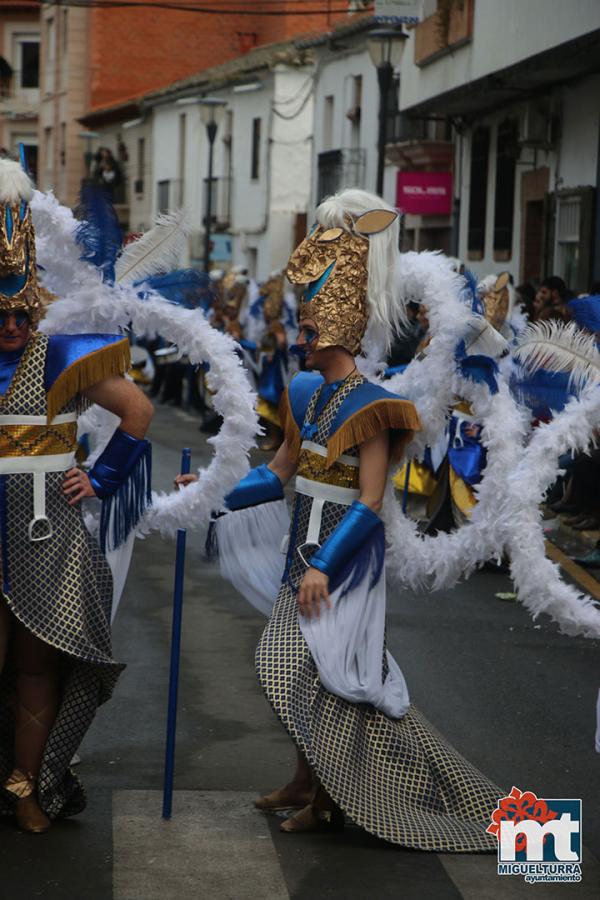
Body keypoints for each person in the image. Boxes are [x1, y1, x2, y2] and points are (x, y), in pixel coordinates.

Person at [178, 190, 501, 851]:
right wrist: (212, 493)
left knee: (303, 670)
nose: (298, 332)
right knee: (302, 673)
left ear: (345, 327)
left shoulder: (378, 407)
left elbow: (372, 501)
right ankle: (307, 781)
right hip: (305, 550)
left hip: (344, 563)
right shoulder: (302, 391)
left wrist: (326, 565)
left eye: (310, 322)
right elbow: (280, 471)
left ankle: (331, 797)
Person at [0, 157, 153, 833]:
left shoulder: (62, 354)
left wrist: (102, 477)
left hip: (43, 530)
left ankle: (25, 788)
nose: (11, 325)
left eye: (20, 311)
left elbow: (138, 411)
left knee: (38, 668)